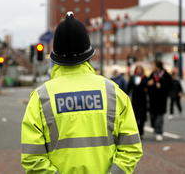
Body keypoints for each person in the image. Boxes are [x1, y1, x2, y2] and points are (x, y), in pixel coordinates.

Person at [21, 12, 142, 174]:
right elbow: (131, 148)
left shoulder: (41, 97)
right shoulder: (113, 92)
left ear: (55, 56)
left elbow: (32, 158)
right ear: (89, 54)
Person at [147, 60, 172, 141]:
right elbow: (147, 86)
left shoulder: (166, 75)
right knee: (152, 116)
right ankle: (155, 128)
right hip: (153, 99)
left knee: (159, 116)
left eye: (153, 66)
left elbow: (170, 86)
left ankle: (159, 132)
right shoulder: (152, 75)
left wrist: (161, 86)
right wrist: (149, 84)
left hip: (161, 99)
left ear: (157, 66)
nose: (152, 67)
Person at [127, 65, 148, 139]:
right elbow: (129, 87)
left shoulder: (144, 77)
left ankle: (141, 132)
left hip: (142, 99)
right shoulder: (133, 77)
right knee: (135, 117)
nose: (139, 70)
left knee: (142, 117)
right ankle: (136, 132)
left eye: (140, 69)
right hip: (135, 99)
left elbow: (146, 86)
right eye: (138, 69)